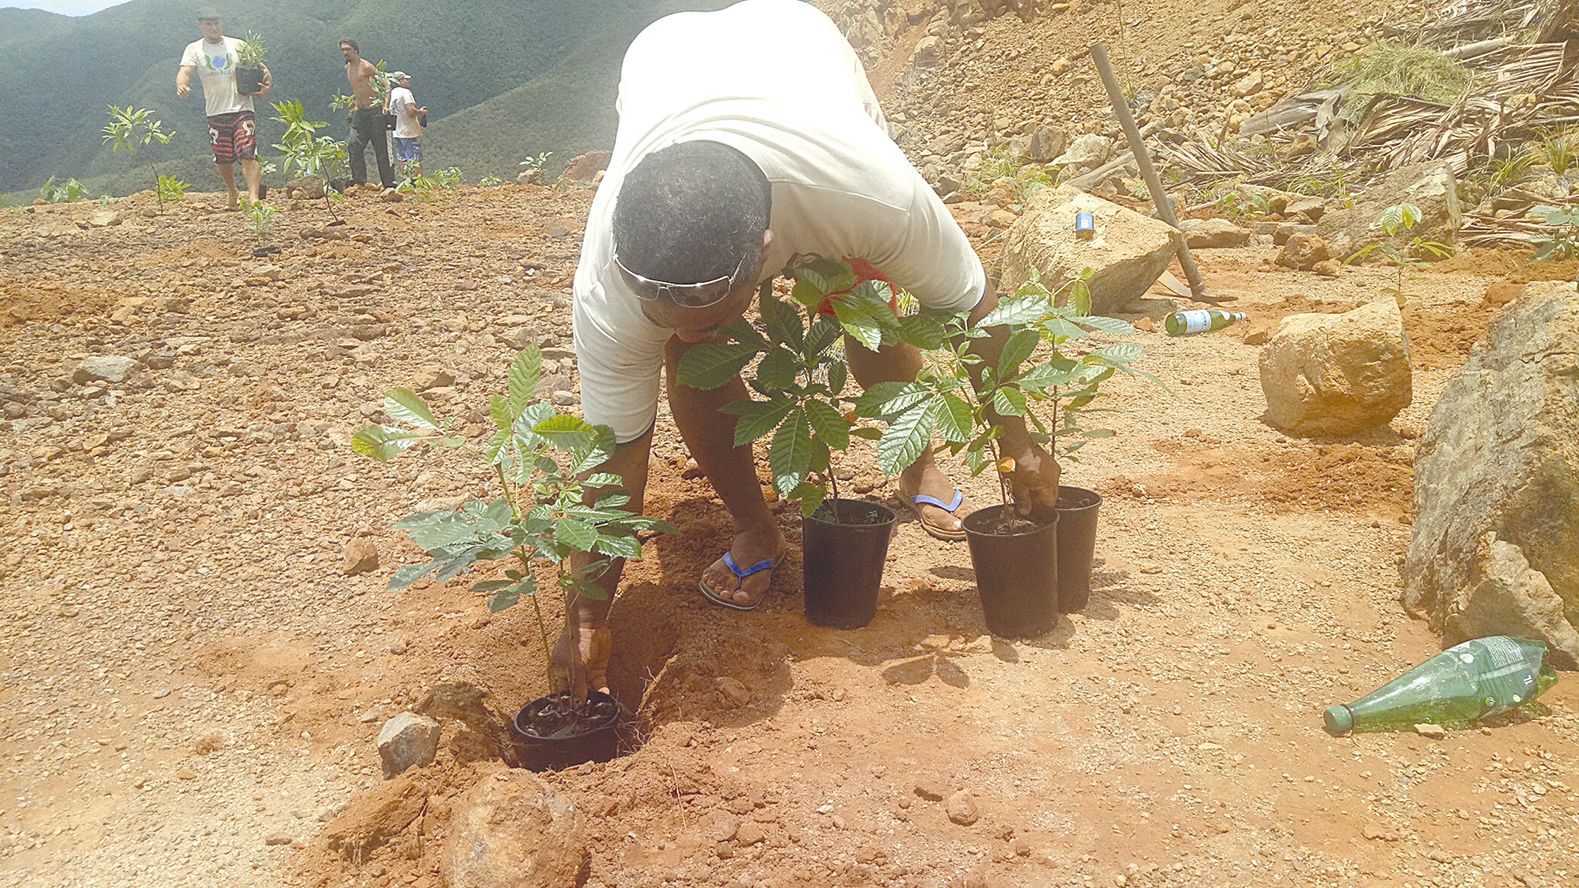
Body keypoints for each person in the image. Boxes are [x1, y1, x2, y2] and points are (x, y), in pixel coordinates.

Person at [555, 0, 1062, 694]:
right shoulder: (611, 277)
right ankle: (754, 529)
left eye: (710, 306)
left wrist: (1018, 438)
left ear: (767, 254)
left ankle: (914, 468)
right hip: (664, 58)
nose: (687, 324)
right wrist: (587, 612)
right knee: (693, 357)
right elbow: (616, 451)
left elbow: (969, 305)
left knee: (866, 308)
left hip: (798, 43)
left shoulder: (864, 194)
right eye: (663, 311)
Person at [176, 6, 270, 209]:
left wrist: (265, 85)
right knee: (223, 158)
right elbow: (185, 71)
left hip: (242, 107)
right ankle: (232, 190)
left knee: (248, 152)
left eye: (216, 22)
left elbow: (260, 68)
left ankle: (253, 197)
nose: (214, 27)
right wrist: (181, 85)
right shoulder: (194, 49)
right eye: (208, 24)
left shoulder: (238, 45)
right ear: (200, 25)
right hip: (216, 111)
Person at [340, 39, 395, 190]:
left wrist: (385, 105)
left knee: (381, 148)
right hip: (361, 113)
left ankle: (388, 183)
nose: (345, 53)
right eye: (343, 50)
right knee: (353, 144)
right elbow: (358, 90)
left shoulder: (366, 67)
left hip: (375, 111)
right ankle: (359, 181)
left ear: (356, 50)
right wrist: (355, 106)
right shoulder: (348, 68)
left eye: (348, 49)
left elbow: (386, 85)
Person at [384, 71, 426, 178]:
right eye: (406, 79)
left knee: (402, 158)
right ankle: (417, 181)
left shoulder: (391, 93)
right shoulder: (406, 93)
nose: (408, 81)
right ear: (401, 81)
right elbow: (410, 111)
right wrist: (420, 112)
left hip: (397, 131)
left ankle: (406, 180)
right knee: (414, 158)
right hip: (409, 131)